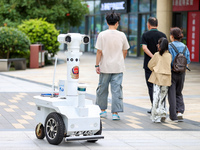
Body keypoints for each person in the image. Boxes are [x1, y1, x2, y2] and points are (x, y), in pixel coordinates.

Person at [95, 11, 130, 120]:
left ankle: (102, 111)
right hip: (118, 67)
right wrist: (120, 60)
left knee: (102, 89)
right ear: (117, 23)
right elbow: (125, 50)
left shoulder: (102, 34)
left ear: (106, 22)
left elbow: (99, 52)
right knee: (117, 90)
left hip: (105, 67)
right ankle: (115, 113)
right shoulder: (122, 35)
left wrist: (97, 65)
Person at [141, 17, 167, 114]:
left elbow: (144, 48)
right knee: (161, 86)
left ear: (148, 24)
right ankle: (161, 107)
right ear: (157, 25)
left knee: (151, 86)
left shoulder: (145, 35)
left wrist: (153, 57)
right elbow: (165, 49)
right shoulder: (163, 35)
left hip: (149, 65)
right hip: (161, 64)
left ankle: (154, 107)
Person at [168, 27, 190, 122]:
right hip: (182, 73)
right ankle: (180, 112)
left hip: (172, 72)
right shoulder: (185, 47)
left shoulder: (170, 46)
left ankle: (173, 115)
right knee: (179, 92)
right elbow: (188, 61)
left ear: (172, 36)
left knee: (171, 93)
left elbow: (167, 59)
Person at [148, 37, 172, 123]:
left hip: (158, 78)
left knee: (156, 98)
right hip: (166, 78)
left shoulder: (156, 55)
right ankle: (162, 113)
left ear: (160, 45)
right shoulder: (169, 55)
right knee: (162, 98)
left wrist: (155, 69)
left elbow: (150, 65)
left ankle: (155, 116)